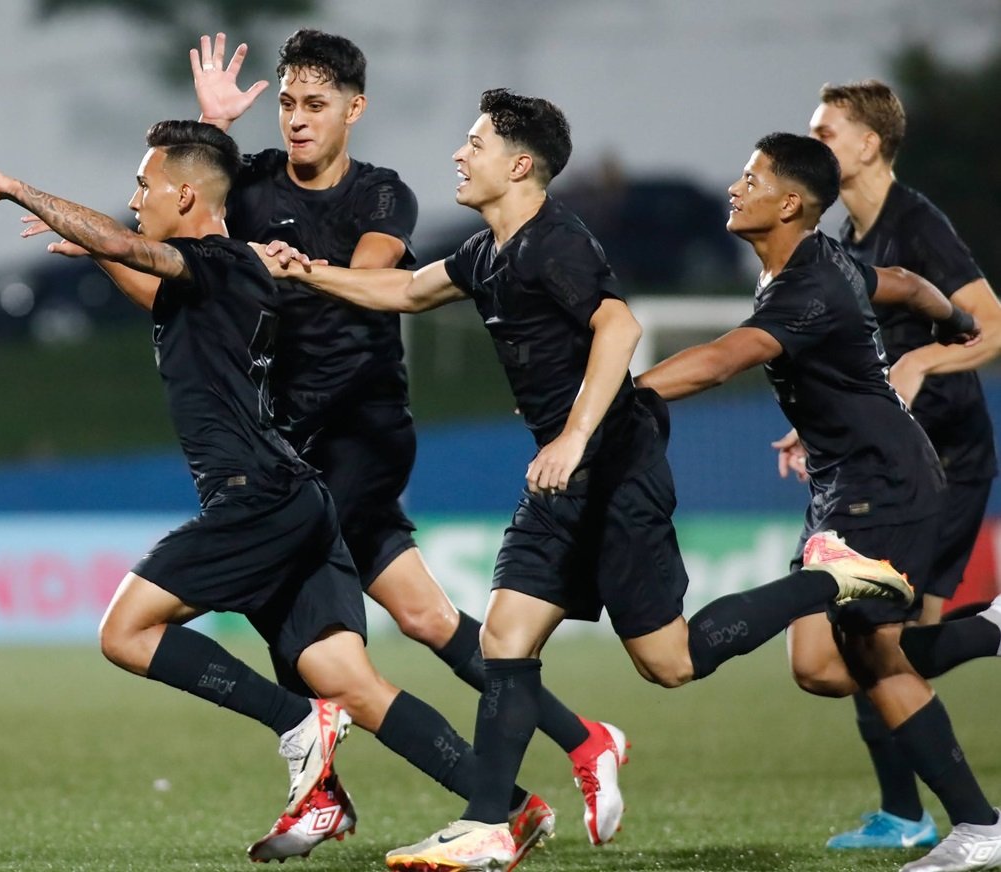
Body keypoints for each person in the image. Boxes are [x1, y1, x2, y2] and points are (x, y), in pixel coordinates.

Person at [259, 91, 919, 872]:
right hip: (563, 469)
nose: (458, 156)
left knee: (667, 659)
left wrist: (573, 435)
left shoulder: (555, 242)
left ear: (517, 164)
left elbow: (620, 325)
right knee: (511, 638)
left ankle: (827, 581)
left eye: (473, 143)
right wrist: (309, 275)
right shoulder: (487, 251)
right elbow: (403, 290)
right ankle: (488, 825)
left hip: (611, 466)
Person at [30, 29, 620, 857]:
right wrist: (215, 129)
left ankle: (322, 778)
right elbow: (188, 208)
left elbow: (374, 283)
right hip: (291, 437)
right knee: (390, 637)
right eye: (288, 104)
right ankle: (558, 759)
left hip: (355, 433)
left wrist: (279, 268)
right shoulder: (259, 178)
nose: (298, 120)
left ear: (354, 109)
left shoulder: (381, 197)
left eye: (316, 104)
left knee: (312, 636)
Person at [0, 120, 548, 865]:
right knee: (350, 682)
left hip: (255, 496)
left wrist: (16, 188)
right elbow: (141, 271)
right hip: (298, 497)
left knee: (124, 633)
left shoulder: (216, 258)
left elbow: (134, 248)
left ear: (184, 194)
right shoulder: (218, 272)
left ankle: (296, 727)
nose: (133, 201)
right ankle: (509, 807)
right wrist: (95, 249)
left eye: (142, 187)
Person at [636, 131, 1001, 872]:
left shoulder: (804, 285)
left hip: (885, 487)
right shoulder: (819, 260)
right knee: (835, 668)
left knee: (851, 631)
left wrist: (618, 393)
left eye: (750, 177)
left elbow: (717, 363)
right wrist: (951, 319)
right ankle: (989, 643)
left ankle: (977, 824)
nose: (735, 187)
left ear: (790, 203)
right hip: (854, 481)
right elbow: (897, 280)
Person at [788, 78, 1001, 852]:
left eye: (824, 131)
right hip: (887, 464)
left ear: (868, 143)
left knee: (869, 641)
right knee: (858, 643)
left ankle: (929, 815)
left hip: (946, 462)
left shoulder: (917, 226)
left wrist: (922, 364)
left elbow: (994, 325)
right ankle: (908, 812)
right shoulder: (851, 233)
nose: (811, 144)